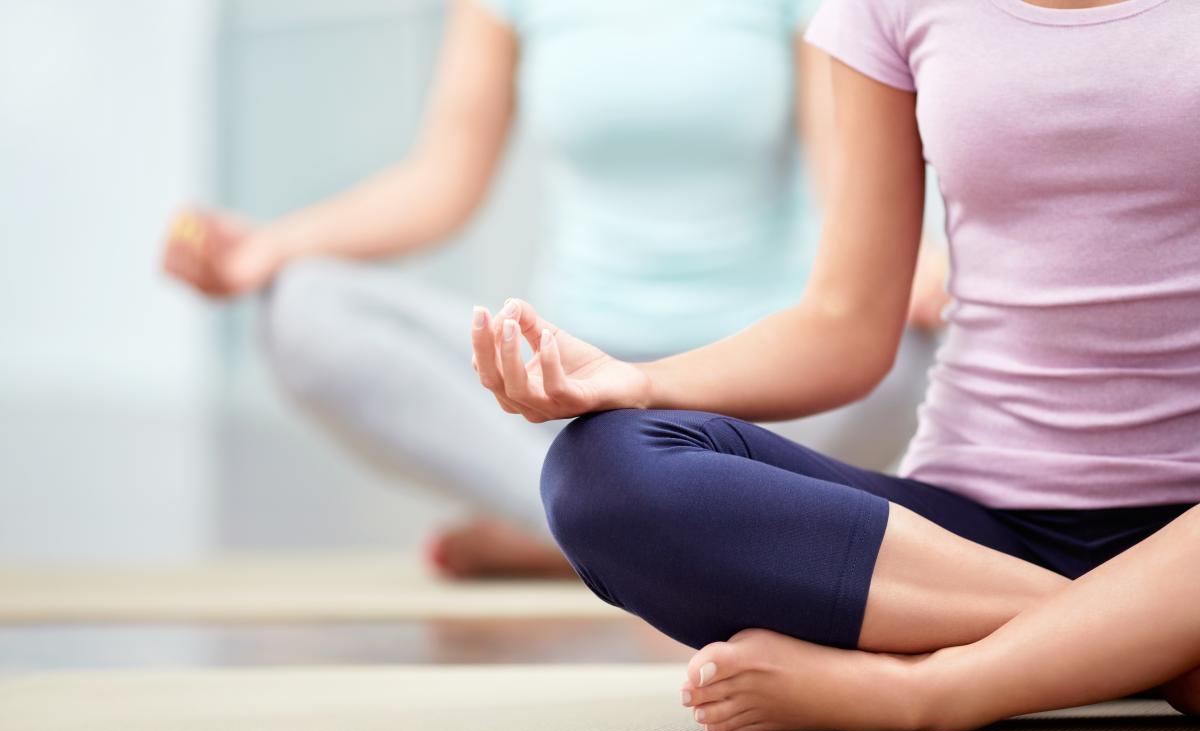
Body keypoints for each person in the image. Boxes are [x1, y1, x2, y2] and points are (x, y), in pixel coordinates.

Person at [469, 0, 1200, 731]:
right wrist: (641, 383)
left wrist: (927, 689)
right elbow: (846, 327)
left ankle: (932, 688)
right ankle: (1145, 646)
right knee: (601, 472)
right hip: (966, 545)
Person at [162, 0, 949, 578]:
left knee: (905, 352)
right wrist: (265, 250)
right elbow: (440, 183)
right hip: (572, 388)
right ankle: (614, 520)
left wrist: (941, 280)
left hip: (759, 385)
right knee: (306, 309)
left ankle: (586, 524)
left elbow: (844, 185)